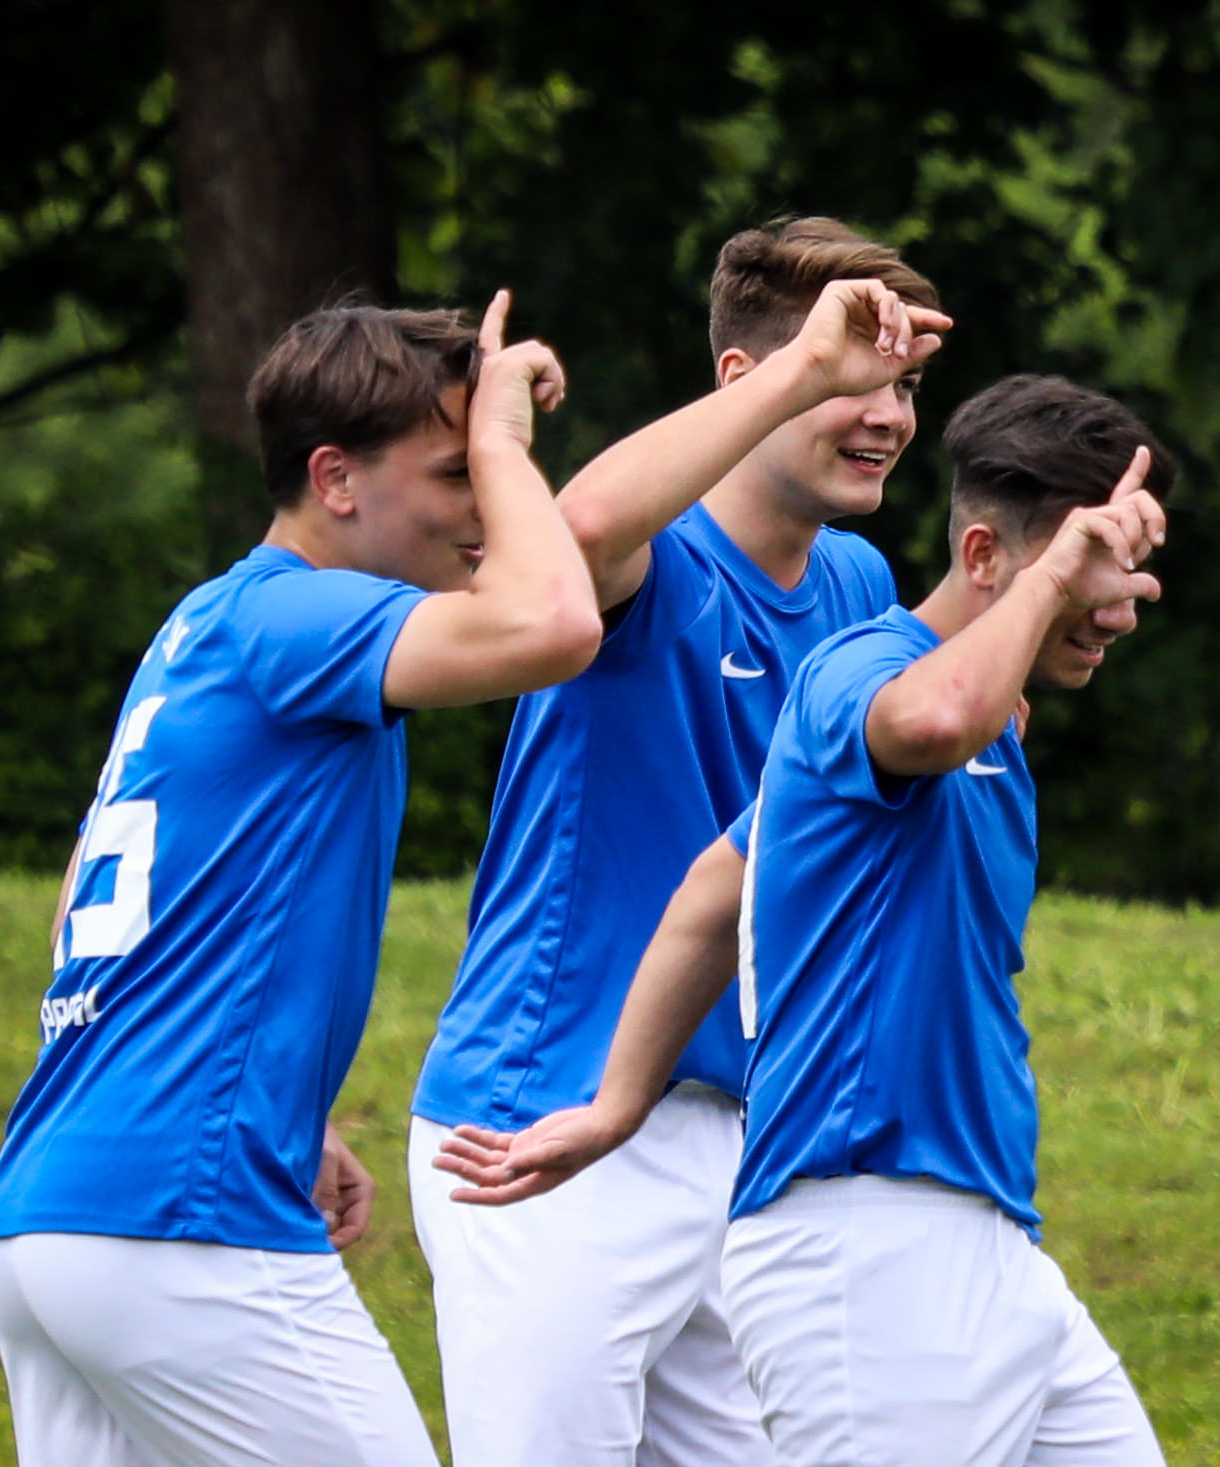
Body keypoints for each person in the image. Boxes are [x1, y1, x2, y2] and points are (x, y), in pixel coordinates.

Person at [437, 375, 1175, 1467]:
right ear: (983, 556)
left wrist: (616, 1102)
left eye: (1126, 575)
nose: (1118, 610)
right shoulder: (860, 672)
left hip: (989, 1237)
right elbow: (935, 716)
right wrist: (1052, 581)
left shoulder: (989, 731)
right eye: (1091, 574)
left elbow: (712, 893)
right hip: (863, 1249)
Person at [0, 291, 601, 1467]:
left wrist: (274, 1110)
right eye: (454, 473)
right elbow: (558, 624)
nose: (483, 505)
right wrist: (506, 441)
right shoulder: (304, 614)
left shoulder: (209, 622)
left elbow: (83, 908)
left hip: (50, 1215)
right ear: (335, 478)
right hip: (178, 1215)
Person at [404, 219, 947, 1467]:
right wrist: (808, 371)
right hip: (541, 1124)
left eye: (907, 385)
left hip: (739, 1138)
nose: (888, 414)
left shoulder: (859, 585)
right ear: (750, 377)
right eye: (854, 377)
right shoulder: (649, 562)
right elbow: (583, 528)